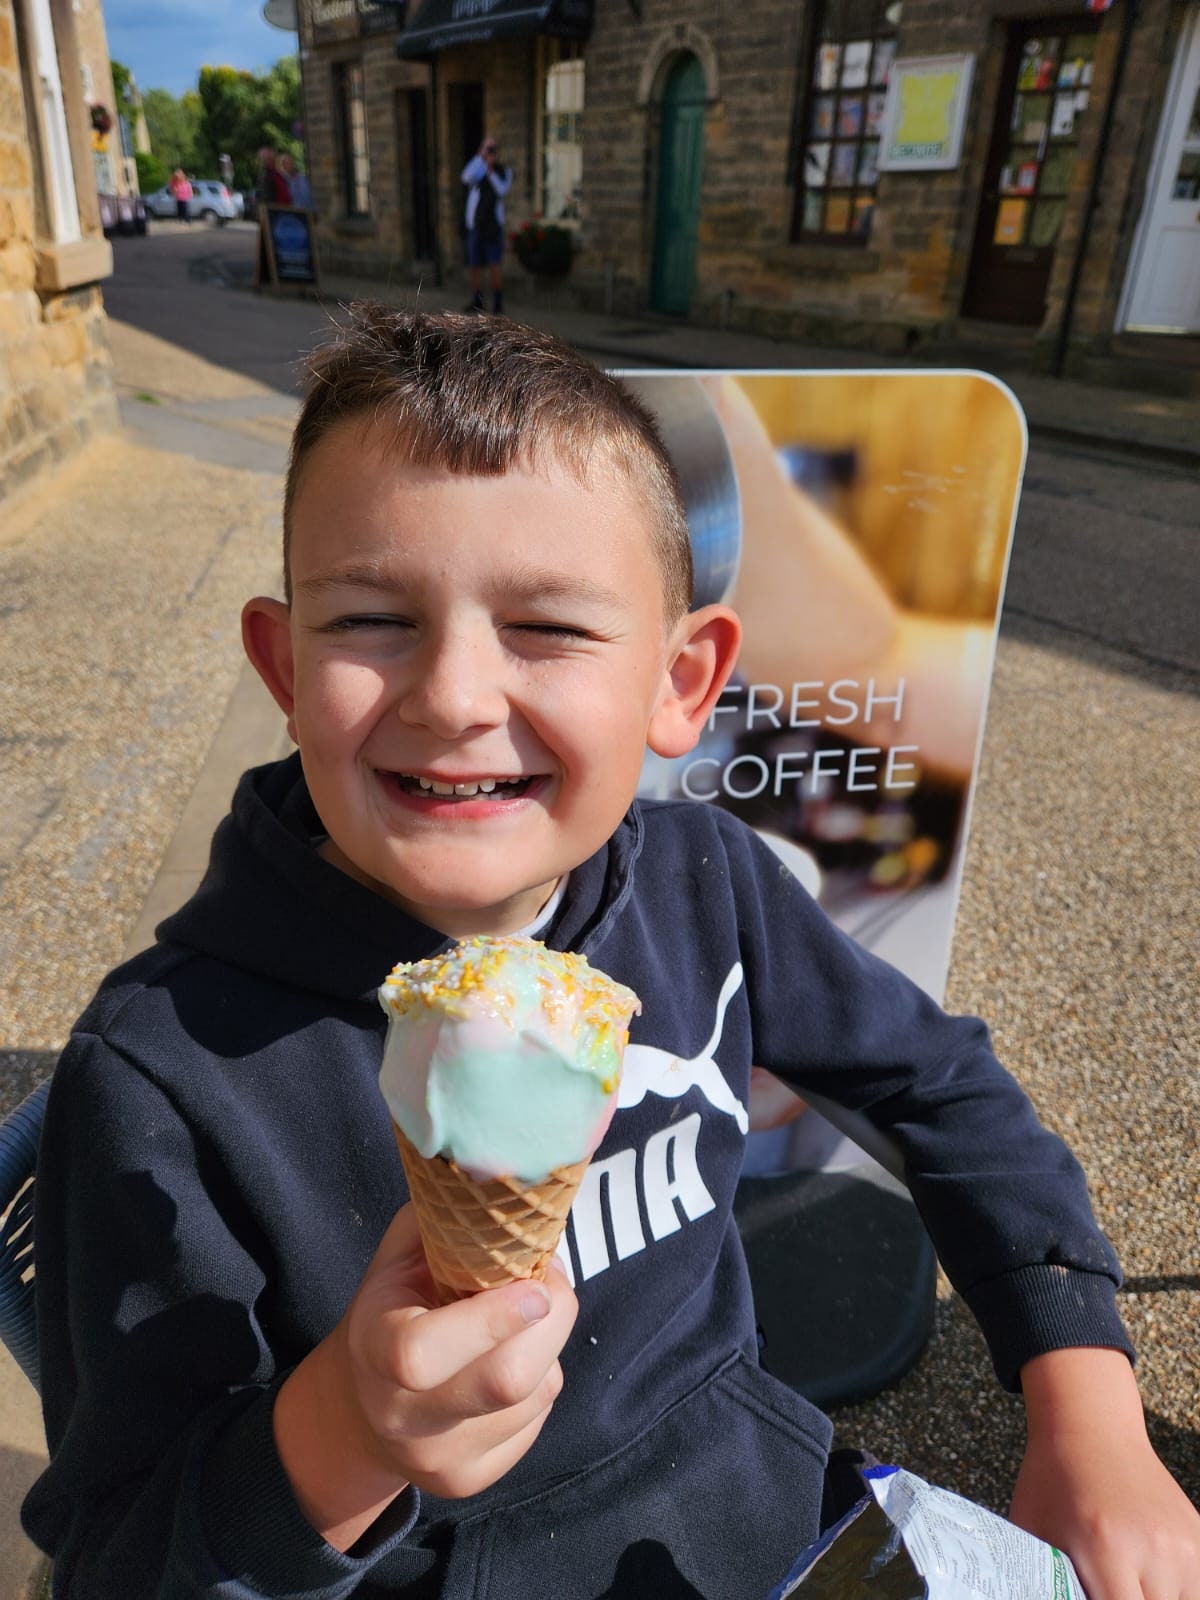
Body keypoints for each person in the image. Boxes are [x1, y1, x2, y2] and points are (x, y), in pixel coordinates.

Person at [22, 308, 1200, 1600]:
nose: (458, 696)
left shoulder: (708, 884)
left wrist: (1087, 1402)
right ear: (283, 666)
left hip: (765, 1521)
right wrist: (342, 1438)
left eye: (548, 628)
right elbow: (118, 1558)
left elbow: (947, 1088)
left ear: (681, 684)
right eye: (371, 617)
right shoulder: (160, 1078)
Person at [461, 135, 511, 314]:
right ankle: (477, 300)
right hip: (475, 226)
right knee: (474, 264)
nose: (489, 152)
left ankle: (498, 302)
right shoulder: (478, 168)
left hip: (493, 227)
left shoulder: (503, 171)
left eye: (492, 149)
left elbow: (502, 190)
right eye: (486, 148)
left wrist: (490, 171)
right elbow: (466, 177)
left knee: (493, 264)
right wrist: (480, 158)